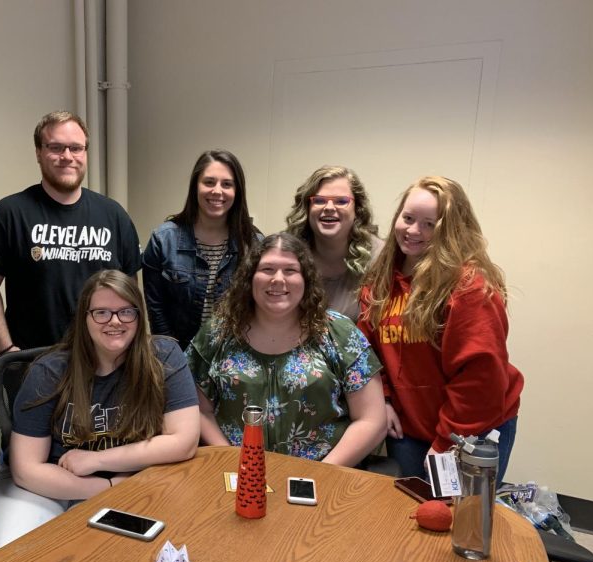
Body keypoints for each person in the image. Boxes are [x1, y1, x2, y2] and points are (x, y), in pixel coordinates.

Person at [0, 270, 200, 551]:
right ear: (84, 318)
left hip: (133, 478)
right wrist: (104, 488)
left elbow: (183, 442)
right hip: (51, 486)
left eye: (126, 312)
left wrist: (98, 461)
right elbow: (26, 470)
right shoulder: (49, 371)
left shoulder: (165, 357)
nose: (115, 321)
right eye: (101, 313)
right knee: (17, 556)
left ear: (139, 316)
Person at [357, 176, 523, 481]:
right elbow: (366, 349)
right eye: (407, 218)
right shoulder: (382, 280)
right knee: (413, 510)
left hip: (471, 429)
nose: (413, 231)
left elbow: (480, 378)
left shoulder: (468, 288)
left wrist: (447, 439)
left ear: (450, 229)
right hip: (410, 425)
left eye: (429, 224)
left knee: (463, 520)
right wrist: (384, 400)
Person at [187, 232, 386, 464]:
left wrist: (324, 471)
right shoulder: (218, 333)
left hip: (323, 474)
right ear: (250, 277)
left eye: (290, 270)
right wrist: (232, 460)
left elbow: (372, 420)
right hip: (238, 474)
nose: (278, 279)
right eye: (267, 269)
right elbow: (199, 409)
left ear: (306, 279)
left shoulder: (339, 333)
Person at [0, 110, 141, 353]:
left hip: (103, 360)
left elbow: (130, 288)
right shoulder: (9, 214)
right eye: (56, 147)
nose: (67, 156)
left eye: (76, 148)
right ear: (39, 153)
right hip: (34, 362)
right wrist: (6, 348)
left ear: (85, 153)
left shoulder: (114, 215)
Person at [142, 150, 259, 349]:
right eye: (209, 182)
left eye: (227, 184)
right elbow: (157, 311)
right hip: (178, 354)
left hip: (234, 356)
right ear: (195, 186)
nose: (217, 191)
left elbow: (257, 309)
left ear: (237, 191)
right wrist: (173, 358)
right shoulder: (163, 241)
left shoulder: (253, 243)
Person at [285, 165, 383, 321]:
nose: (329, 207)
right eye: (319, 200)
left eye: (341, 201)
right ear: (307, 208)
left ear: (357, 209)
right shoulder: (286, 254)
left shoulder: (381, 258)